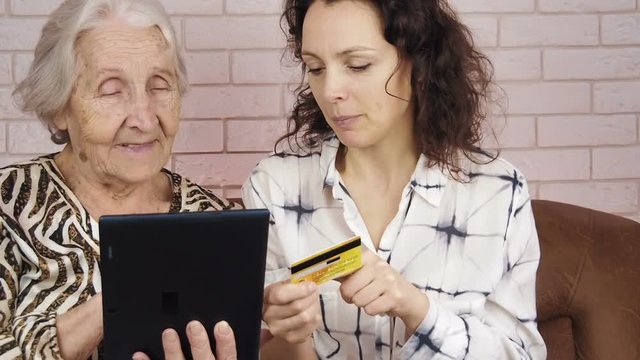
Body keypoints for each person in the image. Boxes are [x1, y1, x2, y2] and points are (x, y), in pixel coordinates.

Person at [242, 0, 547, 359]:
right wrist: (293, 335)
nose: (330, 91)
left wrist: (417, 310)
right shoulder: (274, 188)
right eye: (315, 68)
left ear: (419, 62)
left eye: (358, 65)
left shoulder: (497, 191)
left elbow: (521, 355)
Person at [0, 0, 240, 358]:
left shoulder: (213, 221)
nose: (144, 119)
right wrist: (114, 303)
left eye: (160, 86)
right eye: (112, 90)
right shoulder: (10, 203)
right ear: (59, 107)